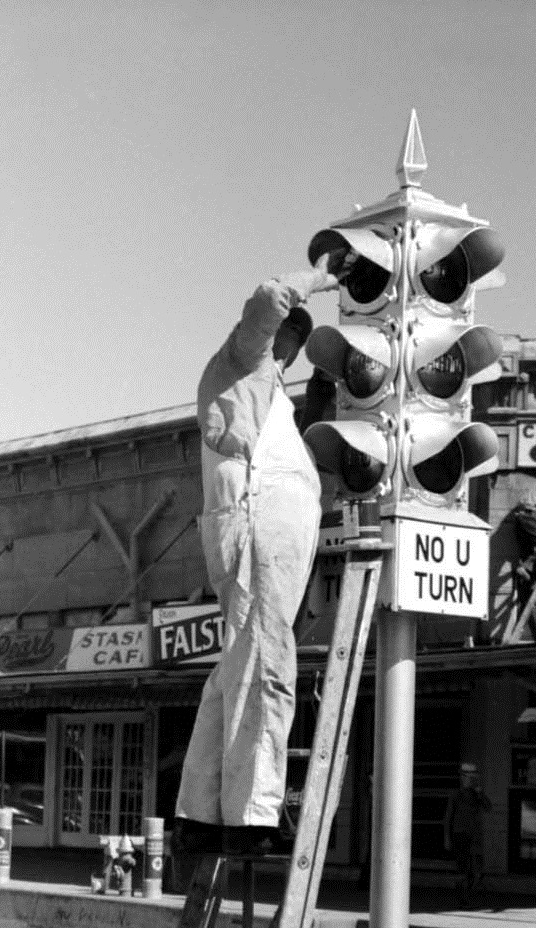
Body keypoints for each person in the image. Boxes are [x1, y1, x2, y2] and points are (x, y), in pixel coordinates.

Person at [173, 257, 339, 859]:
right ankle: (254, 814)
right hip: (256, 522)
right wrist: (320, 277)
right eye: (289, 336)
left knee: (234, 672)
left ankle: (200, 811)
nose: (288, 349)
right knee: (269, 666)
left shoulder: (273, 398)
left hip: (269, 529)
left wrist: (325, 390)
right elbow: (270, 298)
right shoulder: (240, 361)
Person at [445, 762, 492, 908]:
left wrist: (479, 792)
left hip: (474, 835)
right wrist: (447, 838)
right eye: (466, 777)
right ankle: (463, 898)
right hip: (460, 835)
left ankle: (469, 894)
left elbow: (488, 807)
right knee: (462, 868)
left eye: (472, 777)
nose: (468, 780)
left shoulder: (476, 795)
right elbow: (448, 818)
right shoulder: (456, 795)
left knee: (475, 868)